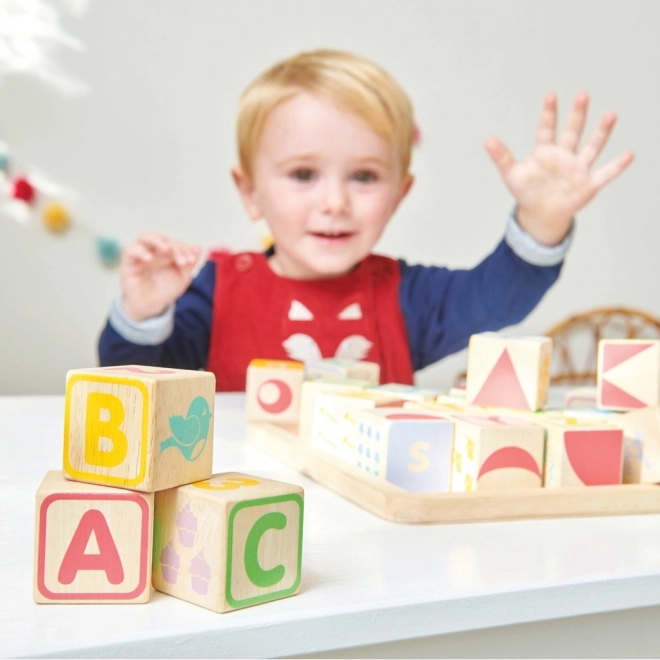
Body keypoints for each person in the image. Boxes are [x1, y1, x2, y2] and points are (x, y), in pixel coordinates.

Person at [98, 49, 633, 391]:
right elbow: (132, 382)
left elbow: (497, 297)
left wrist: (541, 219)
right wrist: (143, 314)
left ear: (400, 195)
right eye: (304, 174)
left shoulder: (406, 296)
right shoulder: (216, 289)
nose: (334, 202)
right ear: (250, 192)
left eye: (364, 177)